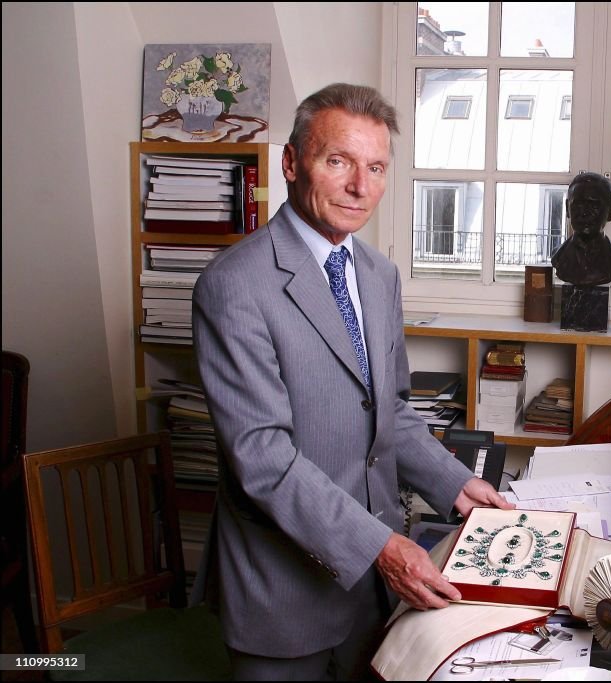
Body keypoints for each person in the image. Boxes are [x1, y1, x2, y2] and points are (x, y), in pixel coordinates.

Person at [192, 83, 512, 681]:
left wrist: (457, 484)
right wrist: (381, 549)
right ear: (291, 163)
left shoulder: (377, 274)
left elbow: (389, 409)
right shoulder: (234, 285)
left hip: (374, 591)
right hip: (283, 594)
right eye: (337, 161)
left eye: (375, 168)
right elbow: (262, 457)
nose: (360, 187)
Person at [550, 172, 611, 286]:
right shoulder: (559, 257)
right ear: (567, 209)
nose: (584, 213)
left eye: (594, 205)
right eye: (577, 204)